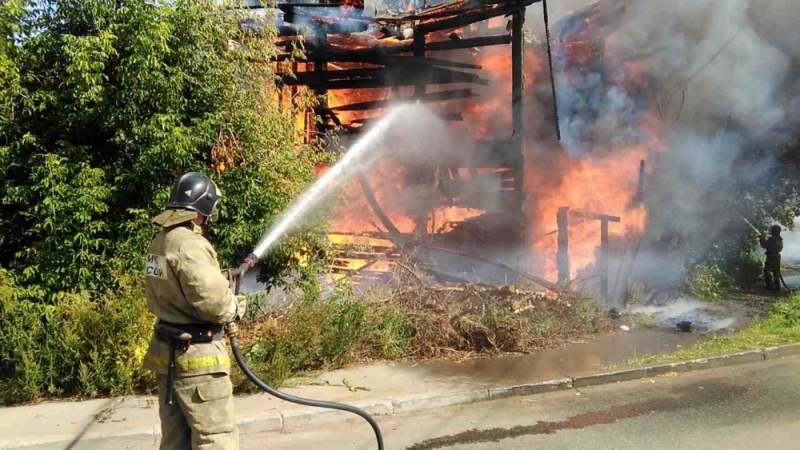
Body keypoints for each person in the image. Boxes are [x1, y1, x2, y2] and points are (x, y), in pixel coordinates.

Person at [143, 172, 247, 450]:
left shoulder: (160, 241)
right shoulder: (190, 245)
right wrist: (234, 306)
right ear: (205, 207)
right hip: (197, 360)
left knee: (176, 441)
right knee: (216, 439)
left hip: (168, 355)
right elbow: (214, 303)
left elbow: (174, 288)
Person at [760, 224, 784, 291]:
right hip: (777, 256)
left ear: (774, 231)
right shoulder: (779, 238)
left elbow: (764, 245)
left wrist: (762, 237)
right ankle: (777, 287)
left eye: (772, 229)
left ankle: (770, 286)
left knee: (767, 270)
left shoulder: (772, 238)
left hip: (771, 256)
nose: (770, 230)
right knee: (776, 272)